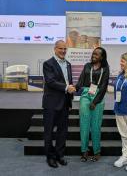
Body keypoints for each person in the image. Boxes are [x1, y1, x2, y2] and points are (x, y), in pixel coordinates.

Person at [42, 40, 75, 168]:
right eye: (60, 48)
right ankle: (50, 157)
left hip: (65, 104)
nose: (63, 51)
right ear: (55, 49)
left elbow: (69, 81)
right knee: (49, 132)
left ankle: (59, 155)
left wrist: (70, 101)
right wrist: (67, 88)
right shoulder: (48, 64)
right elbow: (51, 81)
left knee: (62, 132)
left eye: (65, 49)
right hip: (51, 104)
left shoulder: (68, 64)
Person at [75, 47, 110, 162]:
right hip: (85, 95)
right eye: (93, 53)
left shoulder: (105, 68)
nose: (94, 55)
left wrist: (95, 102)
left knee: (95, 126)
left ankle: (96, 151)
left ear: (102, 57)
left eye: (97, 54)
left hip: (98, 96)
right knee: (84, 124)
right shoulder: (87, 66)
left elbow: (104, 87)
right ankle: (84, 151)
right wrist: (73, 88)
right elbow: (80, 81)